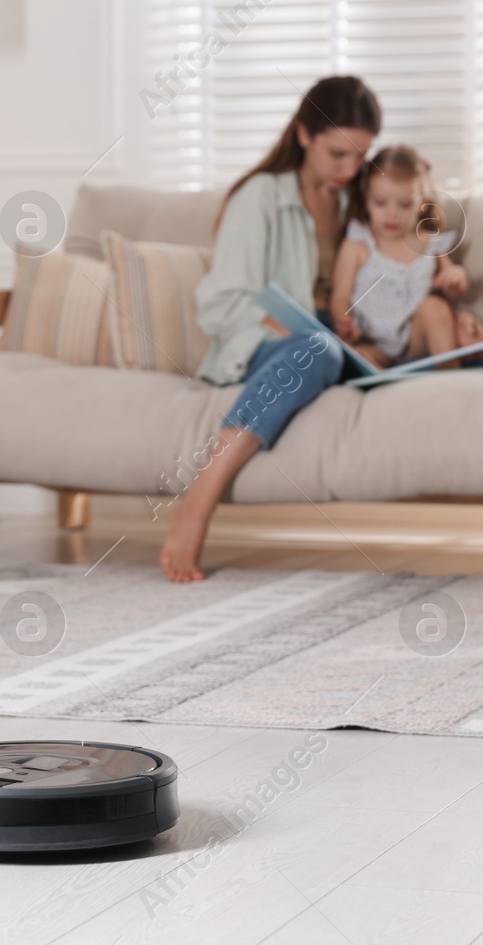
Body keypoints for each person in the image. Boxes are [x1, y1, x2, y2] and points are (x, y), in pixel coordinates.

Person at [158, 76, 381, 583]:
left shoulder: (357, 202)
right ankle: (197, 503)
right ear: (303, 135)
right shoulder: (260, 197)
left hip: (337, 343)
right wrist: (296, 327)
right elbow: (220, 305)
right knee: (315, 349)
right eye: (336, 154)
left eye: (360, 157)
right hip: (269, 346)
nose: (349, 170)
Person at [332, 144, 483, 376]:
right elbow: (340, 298)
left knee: (434, 307)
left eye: (404, 204)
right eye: (381, 203)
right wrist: (345, 324)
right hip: (374, 344)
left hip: (417, 344)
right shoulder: (358, 245)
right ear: (365, 199)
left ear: (422, 200)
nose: (393, 213)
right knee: (357, 358)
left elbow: (453, 291)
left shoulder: (430, 243)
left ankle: (448, 375)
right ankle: (392, 377)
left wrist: (456, 278)